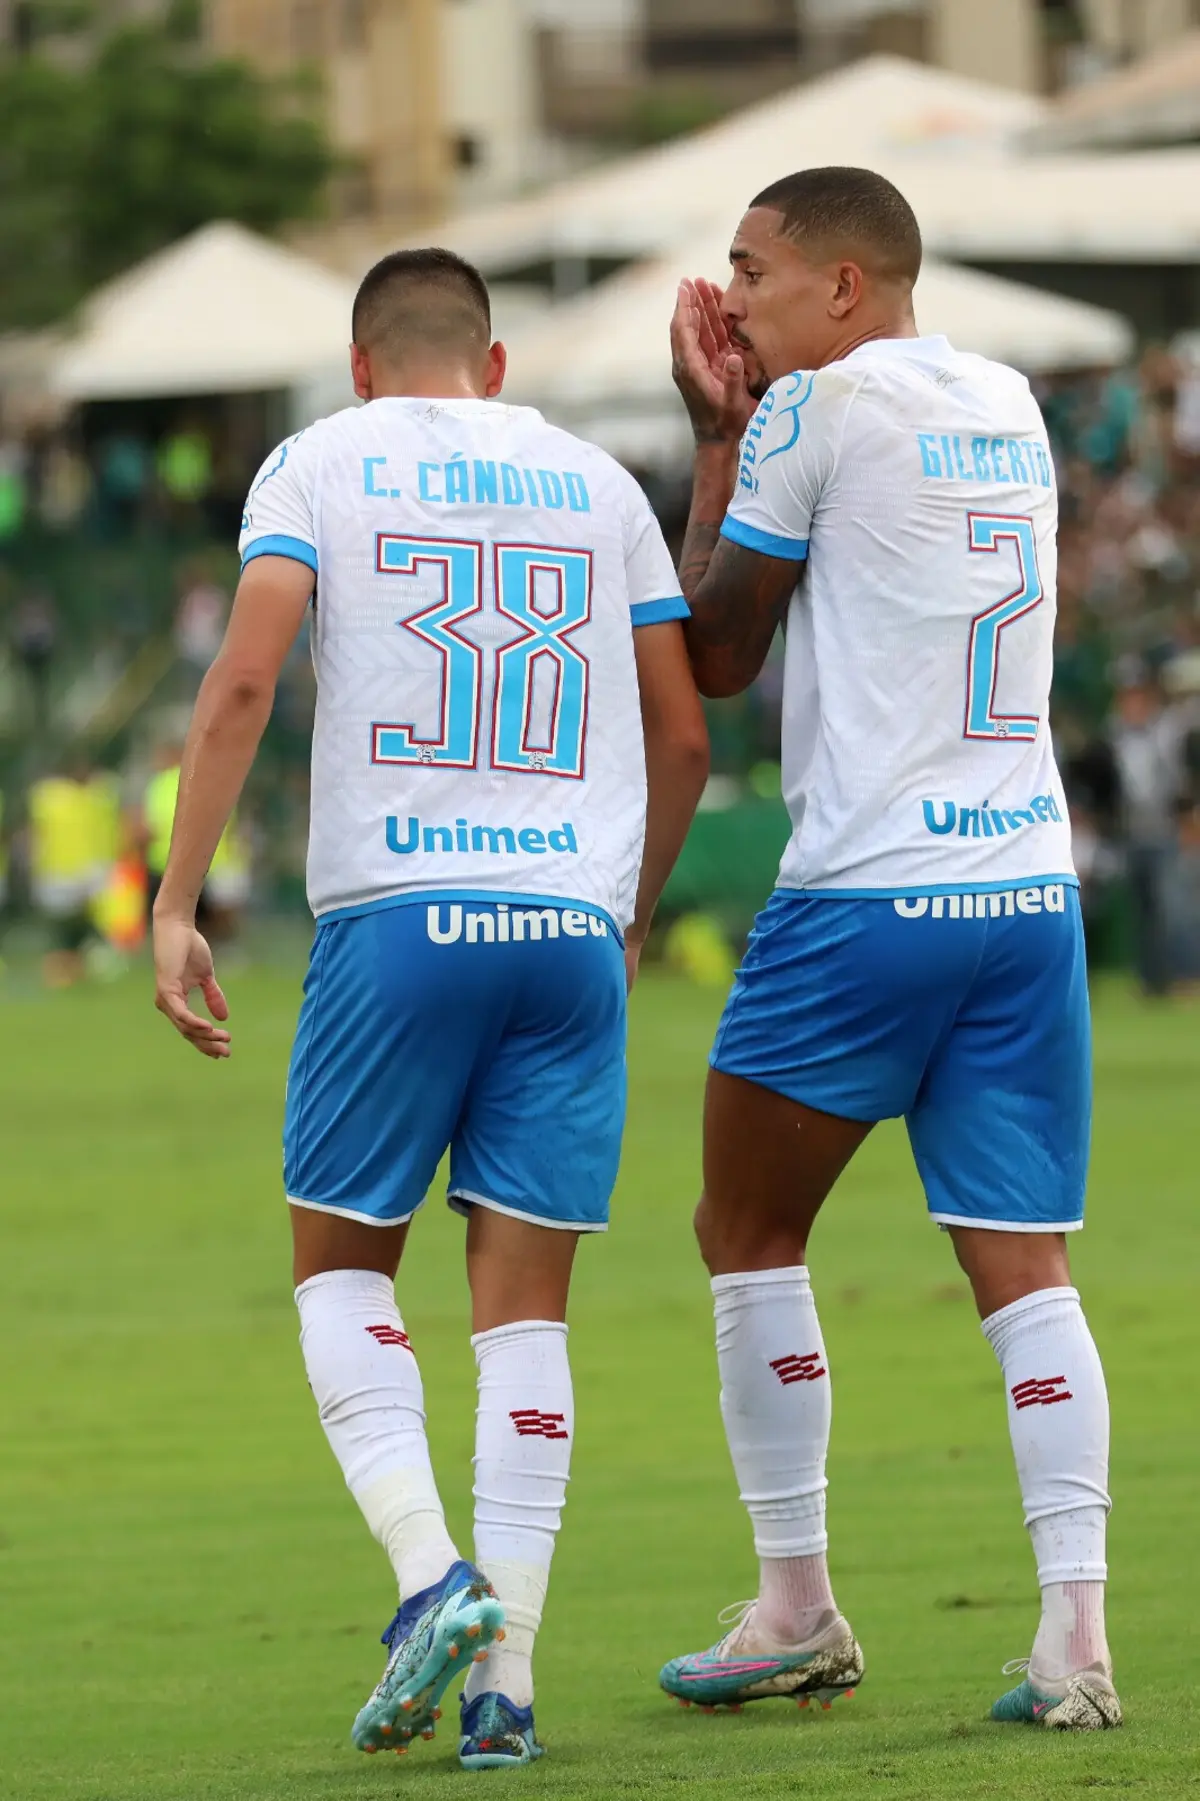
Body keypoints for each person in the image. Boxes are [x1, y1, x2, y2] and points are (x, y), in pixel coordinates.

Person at [150, 248, 708, 1768]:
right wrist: (627, 911)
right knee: (525, 1315)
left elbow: (243, 684)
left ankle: (428, 1577)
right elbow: (681, 737)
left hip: (398, 919)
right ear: (497, 363)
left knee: (342, 1276)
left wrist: (178, 899)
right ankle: (505, 1691)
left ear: (360, 365)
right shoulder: (598, 481)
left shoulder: (316, 461)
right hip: (567, 930)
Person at [659, 167, 1119, 1732]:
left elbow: (718, 653)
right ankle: (1074, 1639)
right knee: (1026, 1271)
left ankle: (795, 1606)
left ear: (843, 288)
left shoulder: (815, 406)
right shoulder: (1008, 399)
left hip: (869, 897)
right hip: (1025, 894)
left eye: (753, 271)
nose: (732, 301)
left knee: (743, 1230)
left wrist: (716, 434)